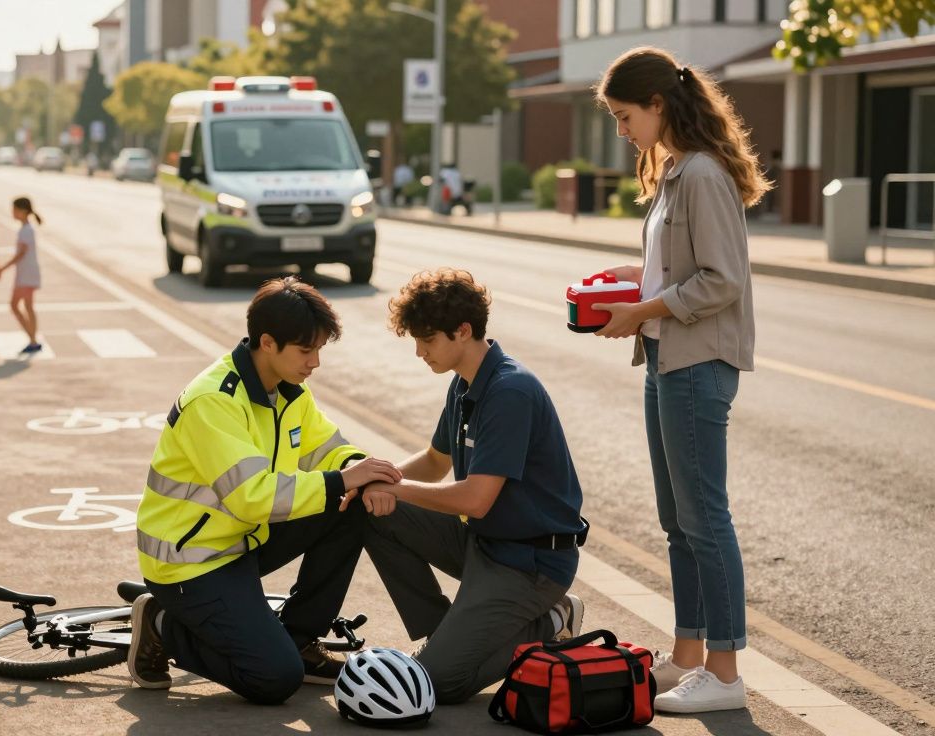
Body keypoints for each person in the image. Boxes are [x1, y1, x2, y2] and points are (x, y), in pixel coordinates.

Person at [126, 276, 403, 704]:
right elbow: (251, 496)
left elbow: (327, 448)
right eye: (306, 350)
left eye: (319, 350)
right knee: (274, 679)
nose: (315, 363)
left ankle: (298, 639)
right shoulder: (214, 401)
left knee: (351, 504)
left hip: (244, 540)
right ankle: (163, 622)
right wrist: (343, 480)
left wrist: (355, 469)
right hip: (191, 562)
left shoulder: (288, 392)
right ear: (268, 343)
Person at [591, 47, 768, 714]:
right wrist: (629, 291)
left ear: (658, 104)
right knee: (677, 522)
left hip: (698, 365)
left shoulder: (699, 175)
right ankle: (690, 656)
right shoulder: (672, 173)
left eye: (624, 115)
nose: (621, 130)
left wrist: (644, 309)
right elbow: (678, 269)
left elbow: (723, 281)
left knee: (705, 521)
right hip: (665, 360)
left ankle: (723, 673)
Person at [360, 268, 587, 705]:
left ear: (462, 331)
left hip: (530, 563)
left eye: (427, 339)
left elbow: (476, 500)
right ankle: (442, 633)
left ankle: (553, 620)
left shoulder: (509, 391)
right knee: (370, 508)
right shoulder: (463, 383)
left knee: (437, 686)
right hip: (485, 545)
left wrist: (396, 488)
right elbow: (432, 462)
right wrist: (375, 480)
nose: (419, 352)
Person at [0, 196, 43, 353]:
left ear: (22, 211)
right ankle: (33, 339)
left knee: (16, 305)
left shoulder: (26, 231)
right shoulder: (26, 229)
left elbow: (20, 254)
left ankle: (33, 338)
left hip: (26, 275)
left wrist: (2, 268)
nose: (12, 213)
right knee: (27, 306)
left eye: (14, 210)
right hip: (27, 274)